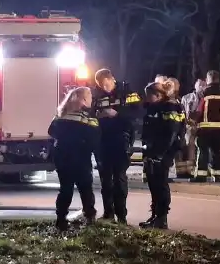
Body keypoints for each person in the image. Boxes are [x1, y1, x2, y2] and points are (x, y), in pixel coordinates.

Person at [91, 68, 143, 223]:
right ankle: (108, 213)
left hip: (122, 138)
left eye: (106, 84)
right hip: (102, 140)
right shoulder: (97, 95)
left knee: (119, 177)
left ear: (112, 79)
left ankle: (121, 216)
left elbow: (138, 112)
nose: (104, 88)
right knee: (105, 179)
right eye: (101, 86)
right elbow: (91, 112)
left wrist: (118, 114)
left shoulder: (127, 93)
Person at [48, 86, 99, 231]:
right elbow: (95, 137)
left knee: (65, 189)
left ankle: (61, 220)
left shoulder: (61, 114)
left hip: (62, 156)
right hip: (80, 156)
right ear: (83, 100)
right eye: (89, 98)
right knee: (85, 188)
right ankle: (90, 217)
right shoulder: (87, 116)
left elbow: (51, 131)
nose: (91, 100)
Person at [139, 79, 185, 229]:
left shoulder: (169, 107)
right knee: (154, 184)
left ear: (157, 95)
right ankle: (155, 216)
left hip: (163, 153)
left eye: (149, 96)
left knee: (160, 184)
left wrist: (159, 154)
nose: (147, 99)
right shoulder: (157, 107)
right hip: (154, 152)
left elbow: (170, 133)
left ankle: (161, 218)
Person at [191, 70, 220, 182]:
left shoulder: (203, 93)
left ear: (207, 80)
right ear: (218, 80)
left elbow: (198, 110)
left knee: (203, 152)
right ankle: (217, 175)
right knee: (218, 152)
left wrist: (192, 121)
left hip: (204, 128)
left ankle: (201, 176)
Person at [176, 78, 206, 178]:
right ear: (195, 86)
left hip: (203, 127)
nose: (202, 87)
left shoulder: (207, 98)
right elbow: (182, 112)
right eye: (200, 85)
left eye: (204, 85)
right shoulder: (186, 97)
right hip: (189, 126)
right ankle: (190, 169)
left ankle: (202, 168)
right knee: (190, 146)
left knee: (202, 148)